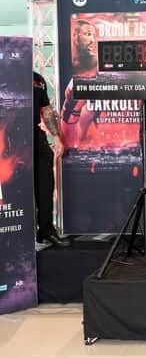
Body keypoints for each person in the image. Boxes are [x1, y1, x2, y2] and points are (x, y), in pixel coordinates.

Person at [33, 72, 71, 247]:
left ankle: (46, 230)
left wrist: (56, 136)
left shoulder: (37, 79)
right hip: (10, 137)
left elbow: (46, 110)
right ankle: (16, 231)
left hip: (35, 136)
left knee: (45, 185)